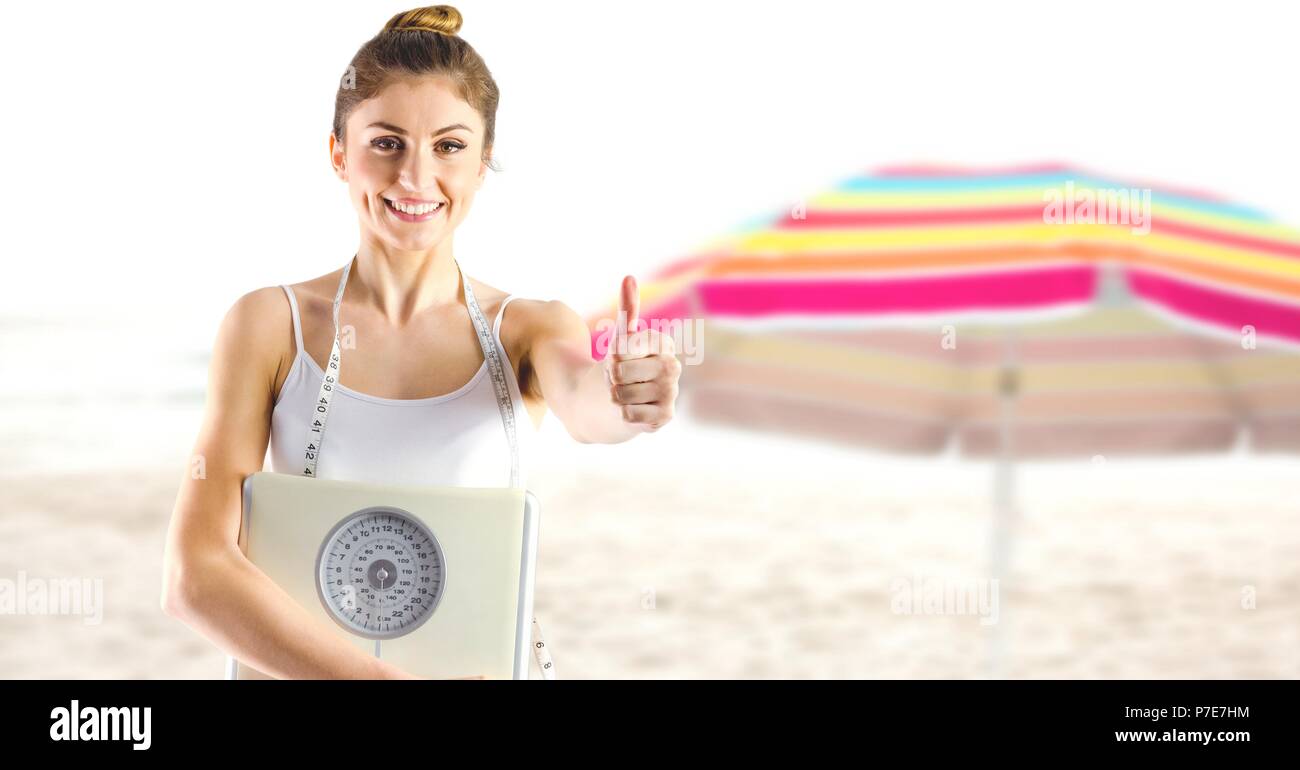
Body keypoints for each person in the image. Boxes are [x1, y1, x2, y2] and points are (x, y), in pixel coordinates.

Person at [160, 4, 681, 679]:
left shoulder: (527, 330)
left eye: (450, 146)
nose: (415, 176)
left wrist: (628, 397)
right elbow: (193, 575)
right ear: (338, 153)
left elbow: (589, 407)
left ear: (483, 162)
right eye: (386, 142)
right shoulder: (269, 325)